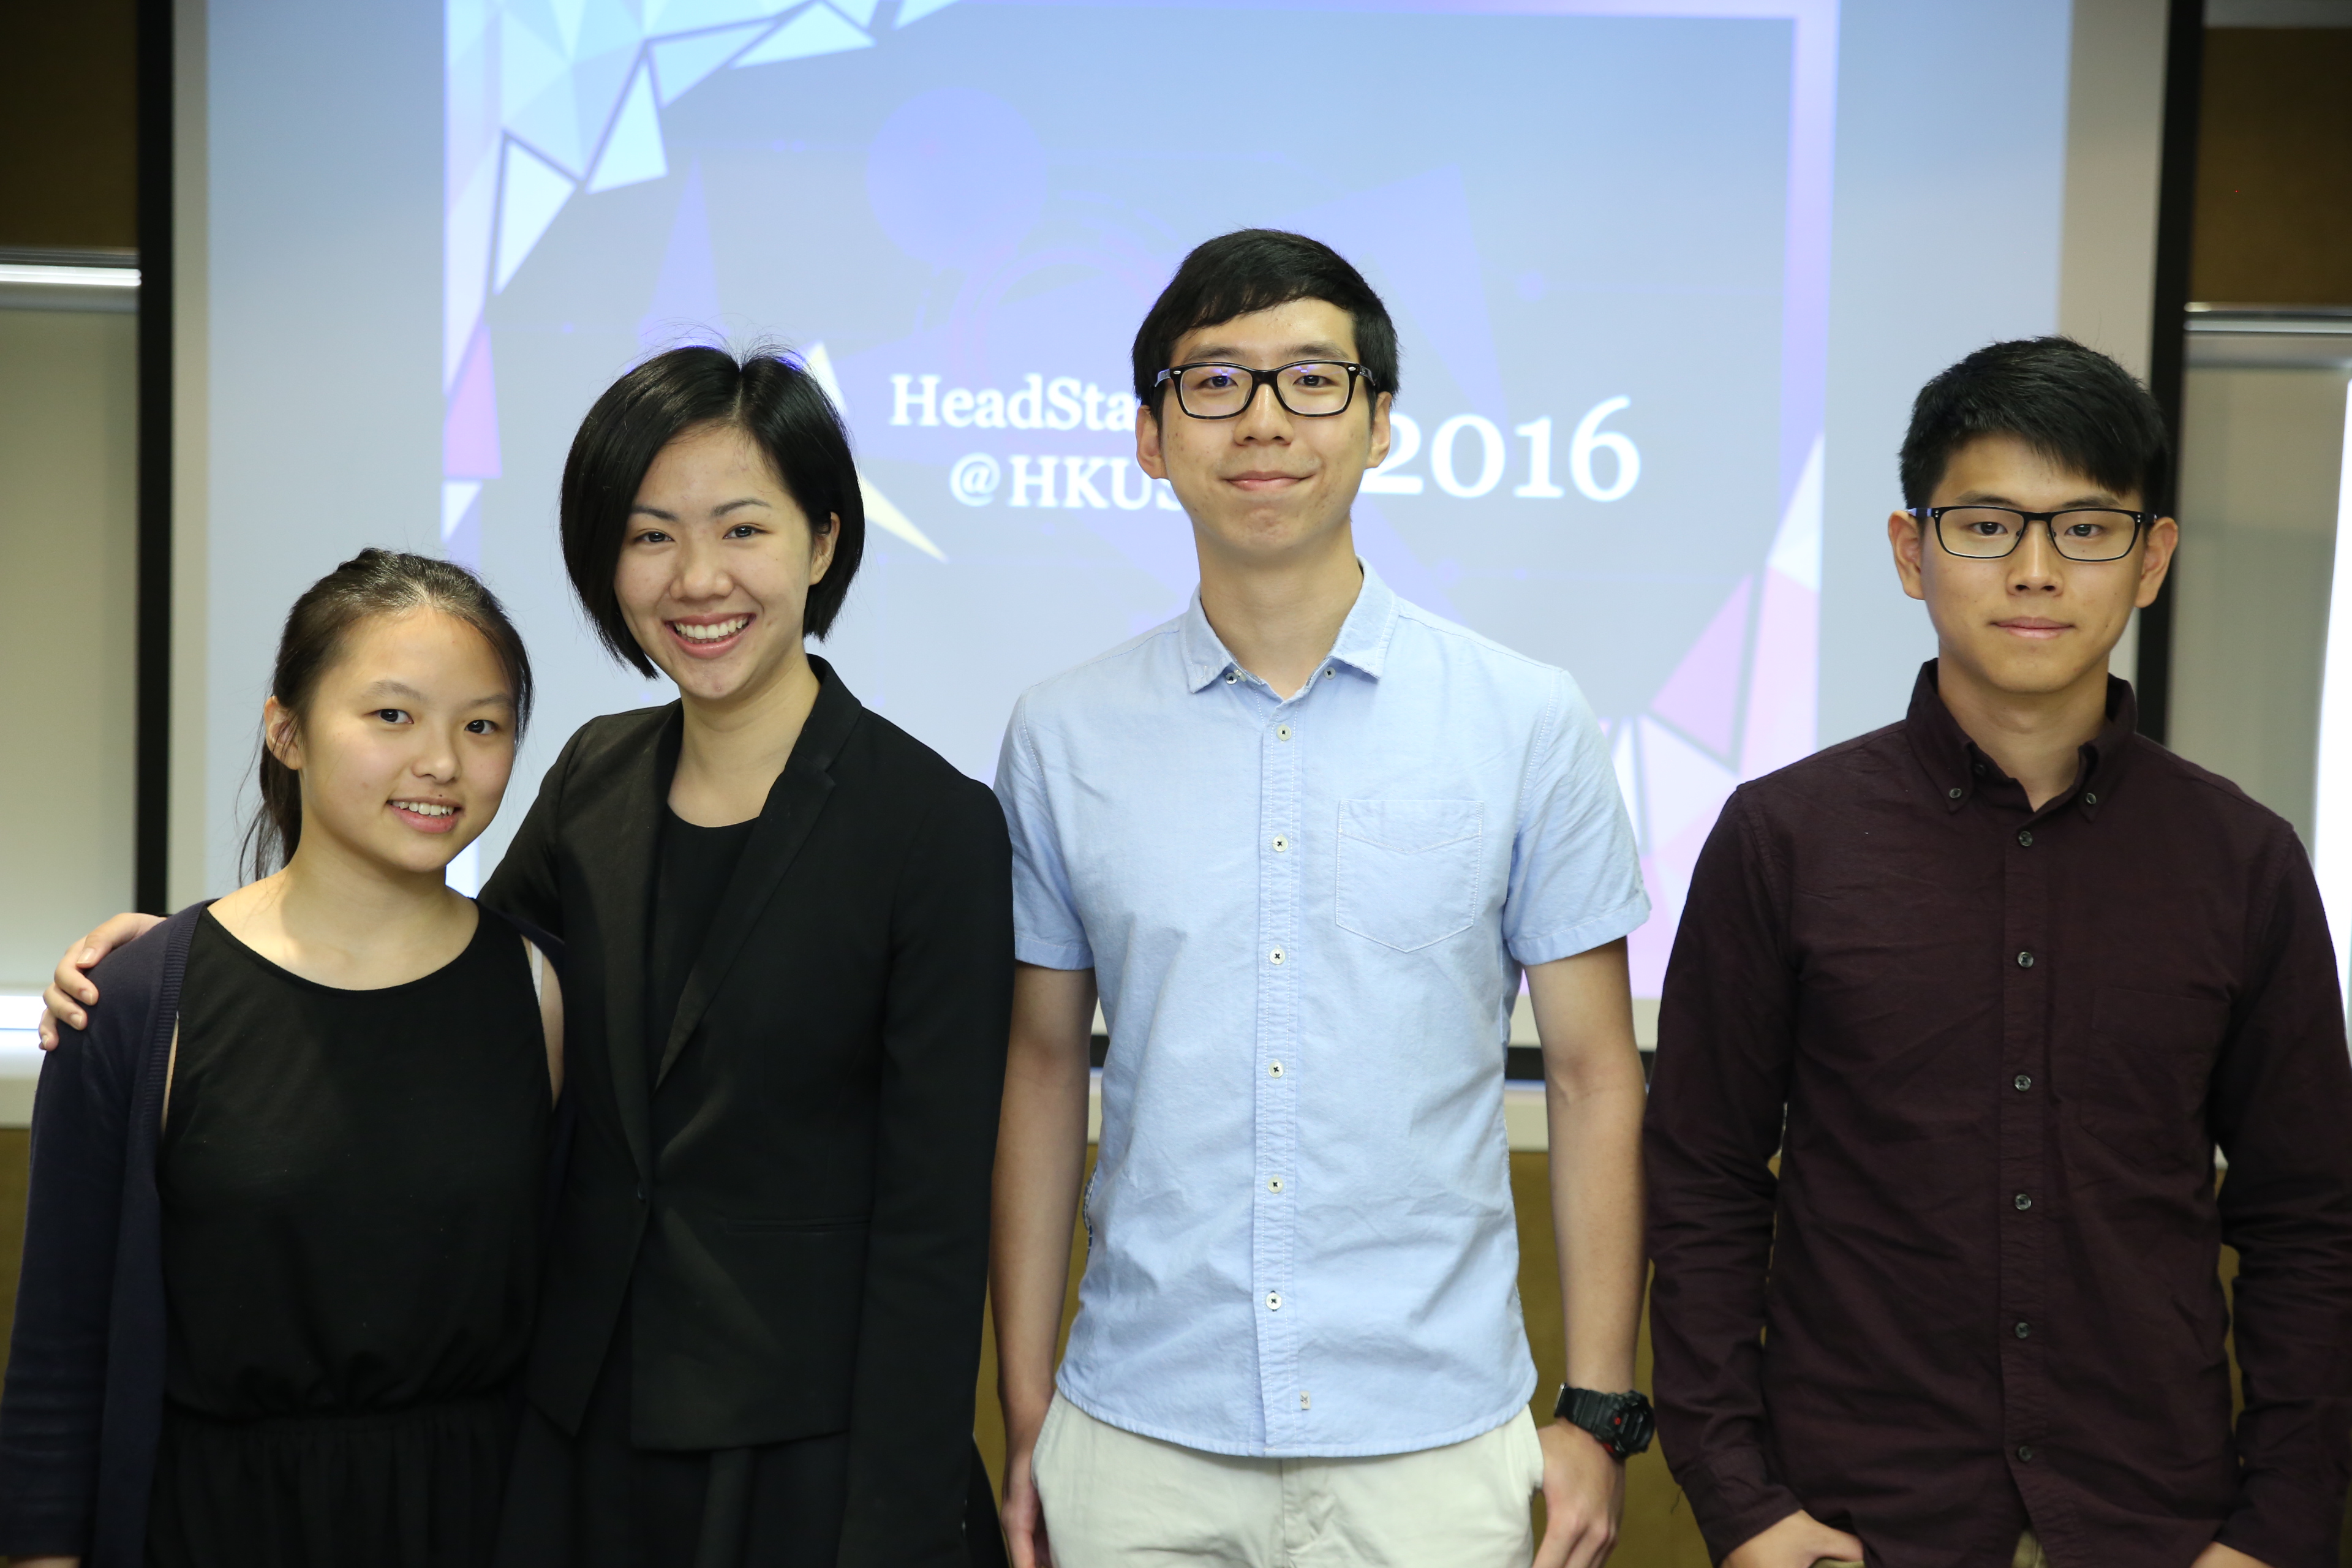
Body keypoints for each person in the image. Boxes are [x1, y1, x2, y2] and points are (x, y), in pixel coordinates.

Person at [38, 347, 1016, 1568]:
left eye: (742, 528)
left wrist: (897, 1528)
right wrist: (191, 955)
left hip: (797, 1450)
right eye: (651, 535)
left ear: (823, 541)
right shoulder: (597, 773)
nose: (697, 576)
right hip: (570, 1437)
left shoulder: (932, 824)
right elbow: (438, 975)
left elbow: (933, 1231)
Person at [988, 229, 1654, 1568]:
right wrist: (1027, 1409)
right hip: (1139, 1433)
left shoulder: (1526, 717)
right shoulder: (1063, 733)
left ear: (1381, 423)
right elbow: (1046, 1064)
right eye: (1216, 383)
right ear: (1149, 436)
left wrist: (1595, 1405)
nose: (1265, 422)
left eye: (1311, 379)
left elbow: (1591, 1074)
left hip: (1436, 1441)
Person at [1644, 337, 2352, 1568]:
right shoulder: (1785, 836)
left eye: (2086, 527)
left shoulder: (2243, 859)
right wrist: (1741, 1498)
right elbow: (1704, 1179)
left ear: (2154, 559)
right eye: (1985, 524)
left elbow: (2310, 1220)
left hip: (2158, 1522)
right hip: (1854, 1520)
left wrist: (2278, 1529)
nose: (2033, 570)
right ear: (1911, 549)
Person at [0, 549, 563, 1568]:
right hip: (212, 1523)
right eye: (392, 716)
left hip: (480, 1521)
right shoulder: (131, 1003)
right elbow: (60, 1357)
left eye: (482, 725)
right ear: (287, 730)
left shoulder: (546, 992)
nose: (441, 761)